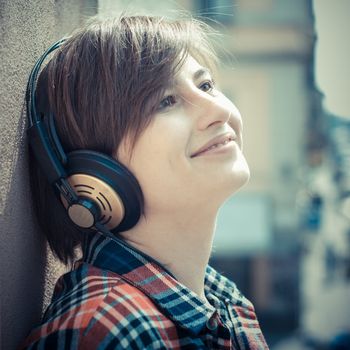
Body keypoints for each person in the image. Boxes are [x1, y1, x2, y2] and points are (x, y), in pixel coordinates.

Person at [20, 14, 269, 349]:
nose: (217, 110)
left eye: (206, 85)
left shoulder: (229, 305)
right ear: (97, 173)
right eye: (166, 101)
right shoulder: (104, 330)